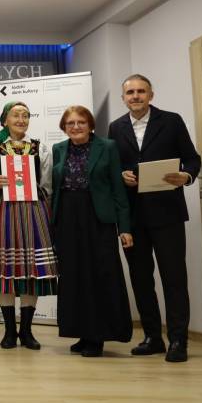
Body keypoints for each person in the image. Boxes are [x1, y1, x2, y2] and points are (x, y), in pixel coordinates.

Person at [108, 74, 201, 363]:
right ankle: (152, 338)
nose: (135, 96)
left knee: (174, 278)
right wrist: (120, 175)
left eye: (141, 91)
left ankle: (178, 341)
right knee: (140, 279)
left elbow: (193, 159)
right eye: (130, 92)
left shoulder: (171, 121)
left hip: (168, 213)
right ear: (123, 98)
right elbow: (112, 167)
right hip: (132, 216)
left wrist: (186, 176)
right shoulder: (115, 127)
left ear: (151, 95)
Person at [0, 101, 57, 350]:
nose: (21, 119)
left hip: (33, 211)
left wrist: (39, 197)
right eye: (16, 115)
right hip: (3, 211)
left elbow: (48, 184)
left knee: (32, 270)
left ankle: (27, 331)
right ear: (5, 120)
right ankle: (9, 331)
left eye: (25, 115)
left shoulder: (40, 148)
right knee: (6, 270)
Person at [52, 106, 134, 357]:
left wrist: (124, 228)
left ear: (90, 125)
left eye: (81, 122)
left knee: (100, 274)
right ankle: (81, 332)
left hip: (98, 218)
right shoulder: (58, 149)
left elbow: (118, 189)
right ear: (64, 127)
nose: (76, 127)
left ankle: (97, 336)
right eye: (70, 123)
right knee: (73, 275)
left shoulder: (107, 147)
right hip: (67, 217)